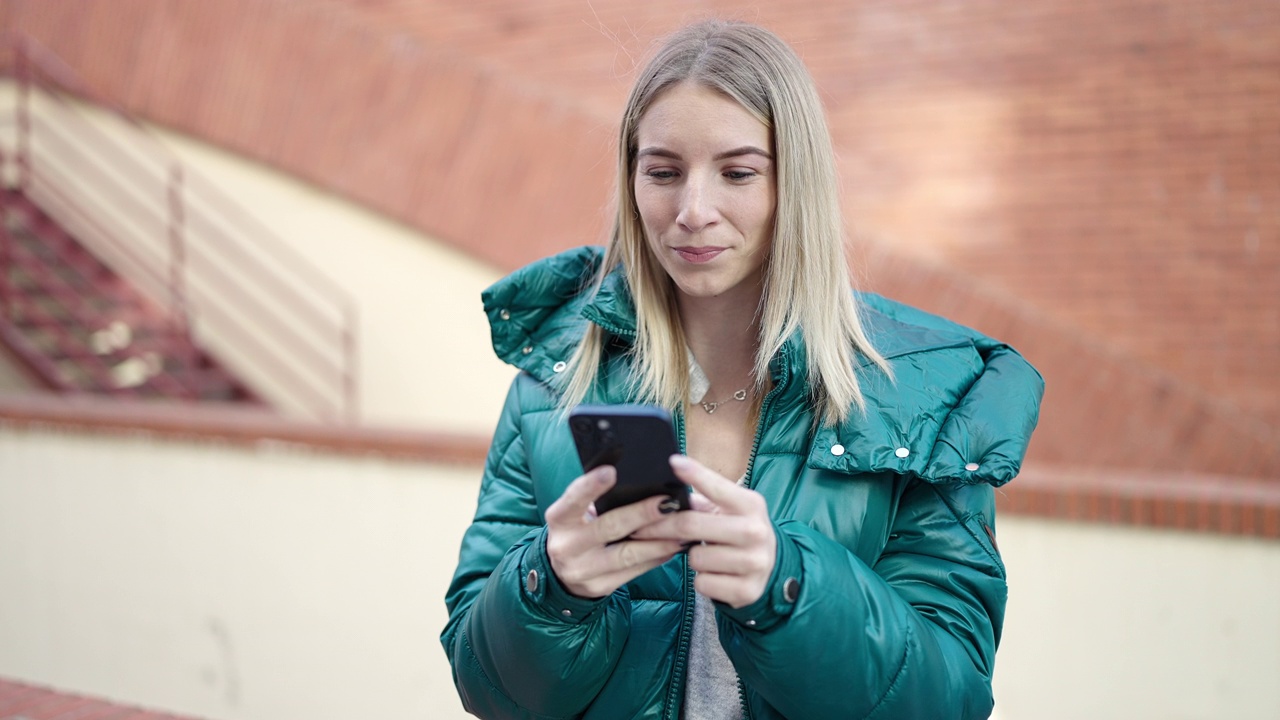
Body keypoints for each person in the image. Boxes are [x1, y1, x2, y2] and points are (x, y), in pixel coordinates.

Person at [441, 18, 1043, 720]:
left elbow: (949, 699)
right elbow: (484, 685)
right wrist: (551, 585)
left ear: (796, 183)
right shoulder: (558, 381)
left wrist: (788, 586)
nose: (693, 211)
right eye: (663, 172)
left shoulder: (925, 402)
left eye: (737, 172)